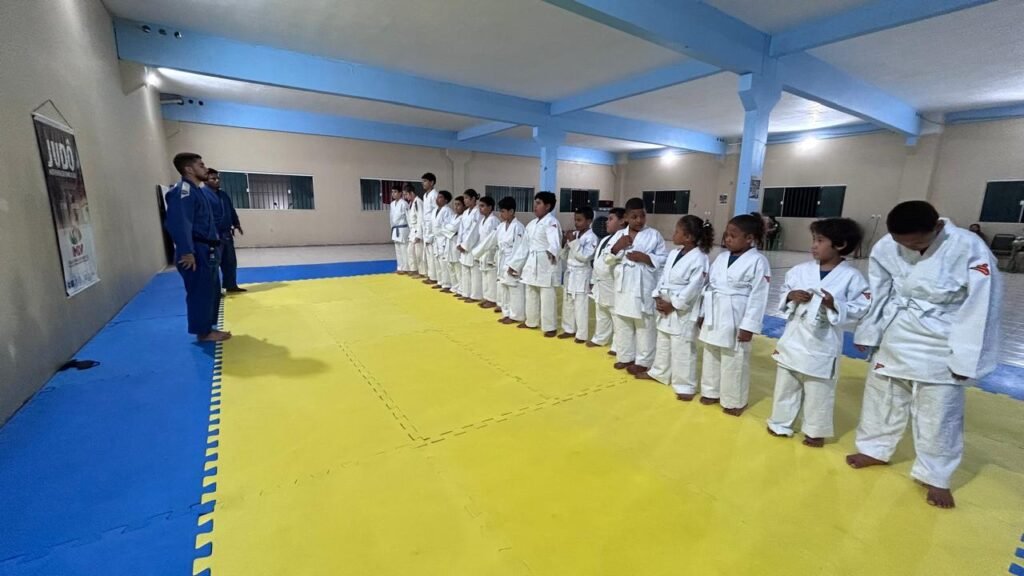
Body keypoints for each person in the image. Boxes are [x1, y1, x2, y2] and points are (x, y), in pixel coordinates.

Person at [846, 201, 1001, 509]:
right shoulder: (886, 246)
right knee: (883, 398)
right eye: (901, 242)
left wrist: (967, 358)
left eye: (916, 243)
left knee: (939, 413)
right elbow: (880, 291)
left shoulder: (969, 247)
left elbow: (982, 306)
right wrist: (869, 332)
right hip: (897, 331)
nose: (908, 248)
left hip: (943, 336)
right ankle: (874, 449)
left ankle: (936, 475)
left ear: (937, 228)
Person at [766, 218, 870, 447]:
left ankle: (815, 431)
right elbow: (784, 290)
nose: (813, 245)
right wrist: (791, 296)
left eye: (820, 240)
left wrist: (835, 304)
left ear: (840, 245)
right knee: (786, 383)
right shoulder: (800, 270)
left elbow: (862, 306)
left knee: (819, 389)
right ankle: (780, 422)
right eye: (814, 239)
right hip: (795, 336)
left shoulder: (852, 277)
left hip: (823, 340)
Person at [698, 214, 771, 416]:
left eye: (733, 235)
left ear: (749, 238)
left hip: (737, 314)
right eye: (726, 235)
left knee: (734, 358)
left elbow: (759, 296)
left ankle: (734, 401)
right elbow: (709, 287)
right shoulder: (721, 258)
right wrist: (703, 313)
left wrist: (749, 326)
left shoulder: (758, 261)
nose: (727, 239)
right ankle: (711, 391)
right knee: (711, 352)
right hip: (714, 310)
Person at [637, 216, 713, 400]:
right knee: (663, 340)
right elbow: (663, 277)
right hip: (666, 301)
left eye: (677, 231)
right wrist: (657, 295)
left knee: (682, 346)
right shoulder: (674, 253)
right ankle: (659, 372)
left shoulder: (700, 258)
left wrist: (675, 304)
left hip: (683, 308)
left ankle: (685, 385)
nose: (674, 234)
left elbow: (695, 286)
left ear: (688, 237)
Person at [164, 153, 231, 342]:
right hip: (195, 251)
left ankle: (208, 327)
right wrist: (187, 251)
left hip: (207, 249)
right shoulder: (182, 191)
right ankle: (203, 332)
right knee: (200, 292)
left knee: (211, 290)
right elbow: (179, 223)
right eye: (201, 165)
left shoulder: (197, 191)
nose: (205, 168)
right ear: (189, 169)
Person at [607, 198, 668, 374]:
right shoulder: (619, 235)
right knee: (623, 322)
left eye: (642, 216)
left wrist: (647, 258)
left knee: (644, 325)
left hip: (644, 285)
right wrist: (616, 248)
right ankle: (625, 356)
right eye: (634, 217)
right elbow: (606, 259)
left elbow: (664, 259)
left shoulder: (654, 235)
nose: (639, 220)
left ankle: (644, 361)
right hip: (623, 285)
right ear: (626, 217)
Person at [508, 191, 562, 337]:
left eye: (538, 203)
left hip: (546, 262)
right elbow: (524, 247)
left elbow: (555, 241)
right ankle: (531, 321)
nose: (535, 206)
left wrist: (553, 251)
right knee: (531, 292)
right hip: (532, 262)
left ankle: (550, 327)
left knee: (547, 296)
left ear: (547, 206)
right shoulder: (531, 224)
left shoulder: (551, 222)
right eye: (535, 203)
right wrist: (514, 264)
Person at [588, 208, 625, 355]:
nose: (606, 222)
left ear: (622, 221)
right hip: (600, 280)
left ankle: (617, 345)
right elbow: (598, 261)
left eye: (611, 219)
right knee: (601, 310)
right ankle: (600, 338)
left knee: (616, 314)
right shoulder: (605, 239)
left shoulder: (624, 238)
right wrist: (593, 279)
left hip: (612, 281)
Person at [559, 207, 598, 343]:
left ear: (589, 221)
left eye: (580, 220)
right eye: (575, 220)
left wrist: (573, 242)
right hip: (570, 273)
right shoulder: (574, 234)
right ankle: (569, 329)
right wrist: (564, 242)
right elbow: (564, 256)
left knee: (580, 305)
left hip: (581, 274)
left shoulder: (592, 237)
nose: (576, 223)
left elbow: (584, 257)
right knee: (568, 302)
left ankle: (581, 335)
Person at [205, 168, 245, 293]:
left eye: (218, 178)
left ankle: (230, 285)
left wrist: (236, 223)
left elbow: (231, 210)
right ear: (205, 180)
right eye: (213, 178)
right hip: (212, 236)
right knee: (214, 264)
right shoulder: (202, 195)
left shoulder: (224, 195)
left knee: (230, 261)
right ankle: (214, 290)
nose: (217, 180)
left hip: (226, 234)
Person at [495, 197, 526, 325]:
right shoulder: (501, 226)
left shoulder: (518, 227)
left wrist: (514, 265)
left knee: (514, 289)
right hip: (502, 259)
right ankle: (506, 313)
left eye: (503, 211)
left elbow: (520, 248)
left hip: (513, 260)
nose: (500, 214)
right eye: (500, 211)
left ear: (511, 211)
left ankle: (516, 315)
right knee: (504, 288)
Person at [471, 196, 501, 309]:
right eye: (479, 206)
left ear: (490, 207)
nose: (480, 208)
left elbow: (493, 240)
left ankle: (492, 299)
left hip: (490, 252)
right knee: (484, 276)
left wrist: (491, 256)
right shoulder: (483, 220)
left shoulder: (493, 221)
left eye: (483, 206)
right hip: (483, 251)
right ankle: (487, 297)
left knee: (491, 277)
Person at [457, 190, 482, 302]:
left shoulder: (478, 212)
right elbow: (461, 229)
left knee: (474, 272)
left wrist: (465, 245)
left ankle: (475, 295)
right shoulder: (466, 212)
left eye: (467, 198)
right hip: (463, 244)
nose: (465, 200)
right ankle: (465, 292)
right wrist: (459, 243)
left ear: (473, 199)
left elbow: (474, 231)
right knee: (465, 270)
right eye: (464, 198)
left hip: (473, 245)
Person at [440, 194, 465, 295]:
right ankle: (454, 287)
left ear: (464, 206)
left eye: (459, 204)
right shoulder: (453, 216)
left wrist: (448, 229)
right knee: (450, 266)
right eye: (455, 204)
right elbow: (444, 227)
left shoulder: (463, 218)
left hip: (456, 244)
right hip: (449, 243)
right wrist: (448, 230)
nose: (456, 207)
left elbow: (453, 229)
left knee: (458, 268)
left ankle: (461, 289)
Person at [432, 191, 455, 291]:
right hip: (436, 239)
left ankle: (447, 284)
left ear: (446, 200)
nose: (437, 199)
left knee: (444, 263)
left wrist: (443, 234)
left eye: (440, 197)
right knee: (437, 261)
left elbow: (449, 227)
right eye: (437, 197)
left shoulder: (448, 211)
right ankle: (440, 281)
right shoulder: (435, 210)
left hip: (444, 239)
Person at [421, 173, 439, 283]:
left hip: (432, 227)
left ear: (431, 182)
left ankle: (434, 277)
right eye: (422, 181)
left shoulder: (434, 195)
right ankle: (429, 275)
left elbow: (436, 212)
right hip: (426, 227)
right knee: (427, 253)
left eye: (425, 181)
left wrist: (432, 231)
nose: (423, 183)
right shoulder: (425, 195)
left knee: (432, 254)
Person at [388, 184, 410, 275]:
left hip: (403, 229)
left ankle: (406, 268)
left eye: (395, 192)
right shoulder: (392, 204)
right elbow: (391, 218)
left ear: (400, 193)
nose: (393, 194)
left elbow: (408, 218)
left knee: (404, 249)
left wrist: (411, 231)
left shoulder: (404, 204)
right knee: (398, 250)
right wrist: (392, 228)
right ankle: (399, 267)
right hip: (395, 229)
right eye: (392, 192)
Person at [404, 184, 424, 279]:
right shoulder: (411, 203)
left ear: (411, 193)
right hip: (412, 231)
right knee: (410, 251)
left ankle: (422, 272)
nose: (405, 197)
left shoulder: (418, 202)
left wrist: (419, 234)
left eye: (406, 194)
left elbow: (420, 218)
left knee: (419, 253)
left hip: (417, 230)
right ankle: (414, 269)